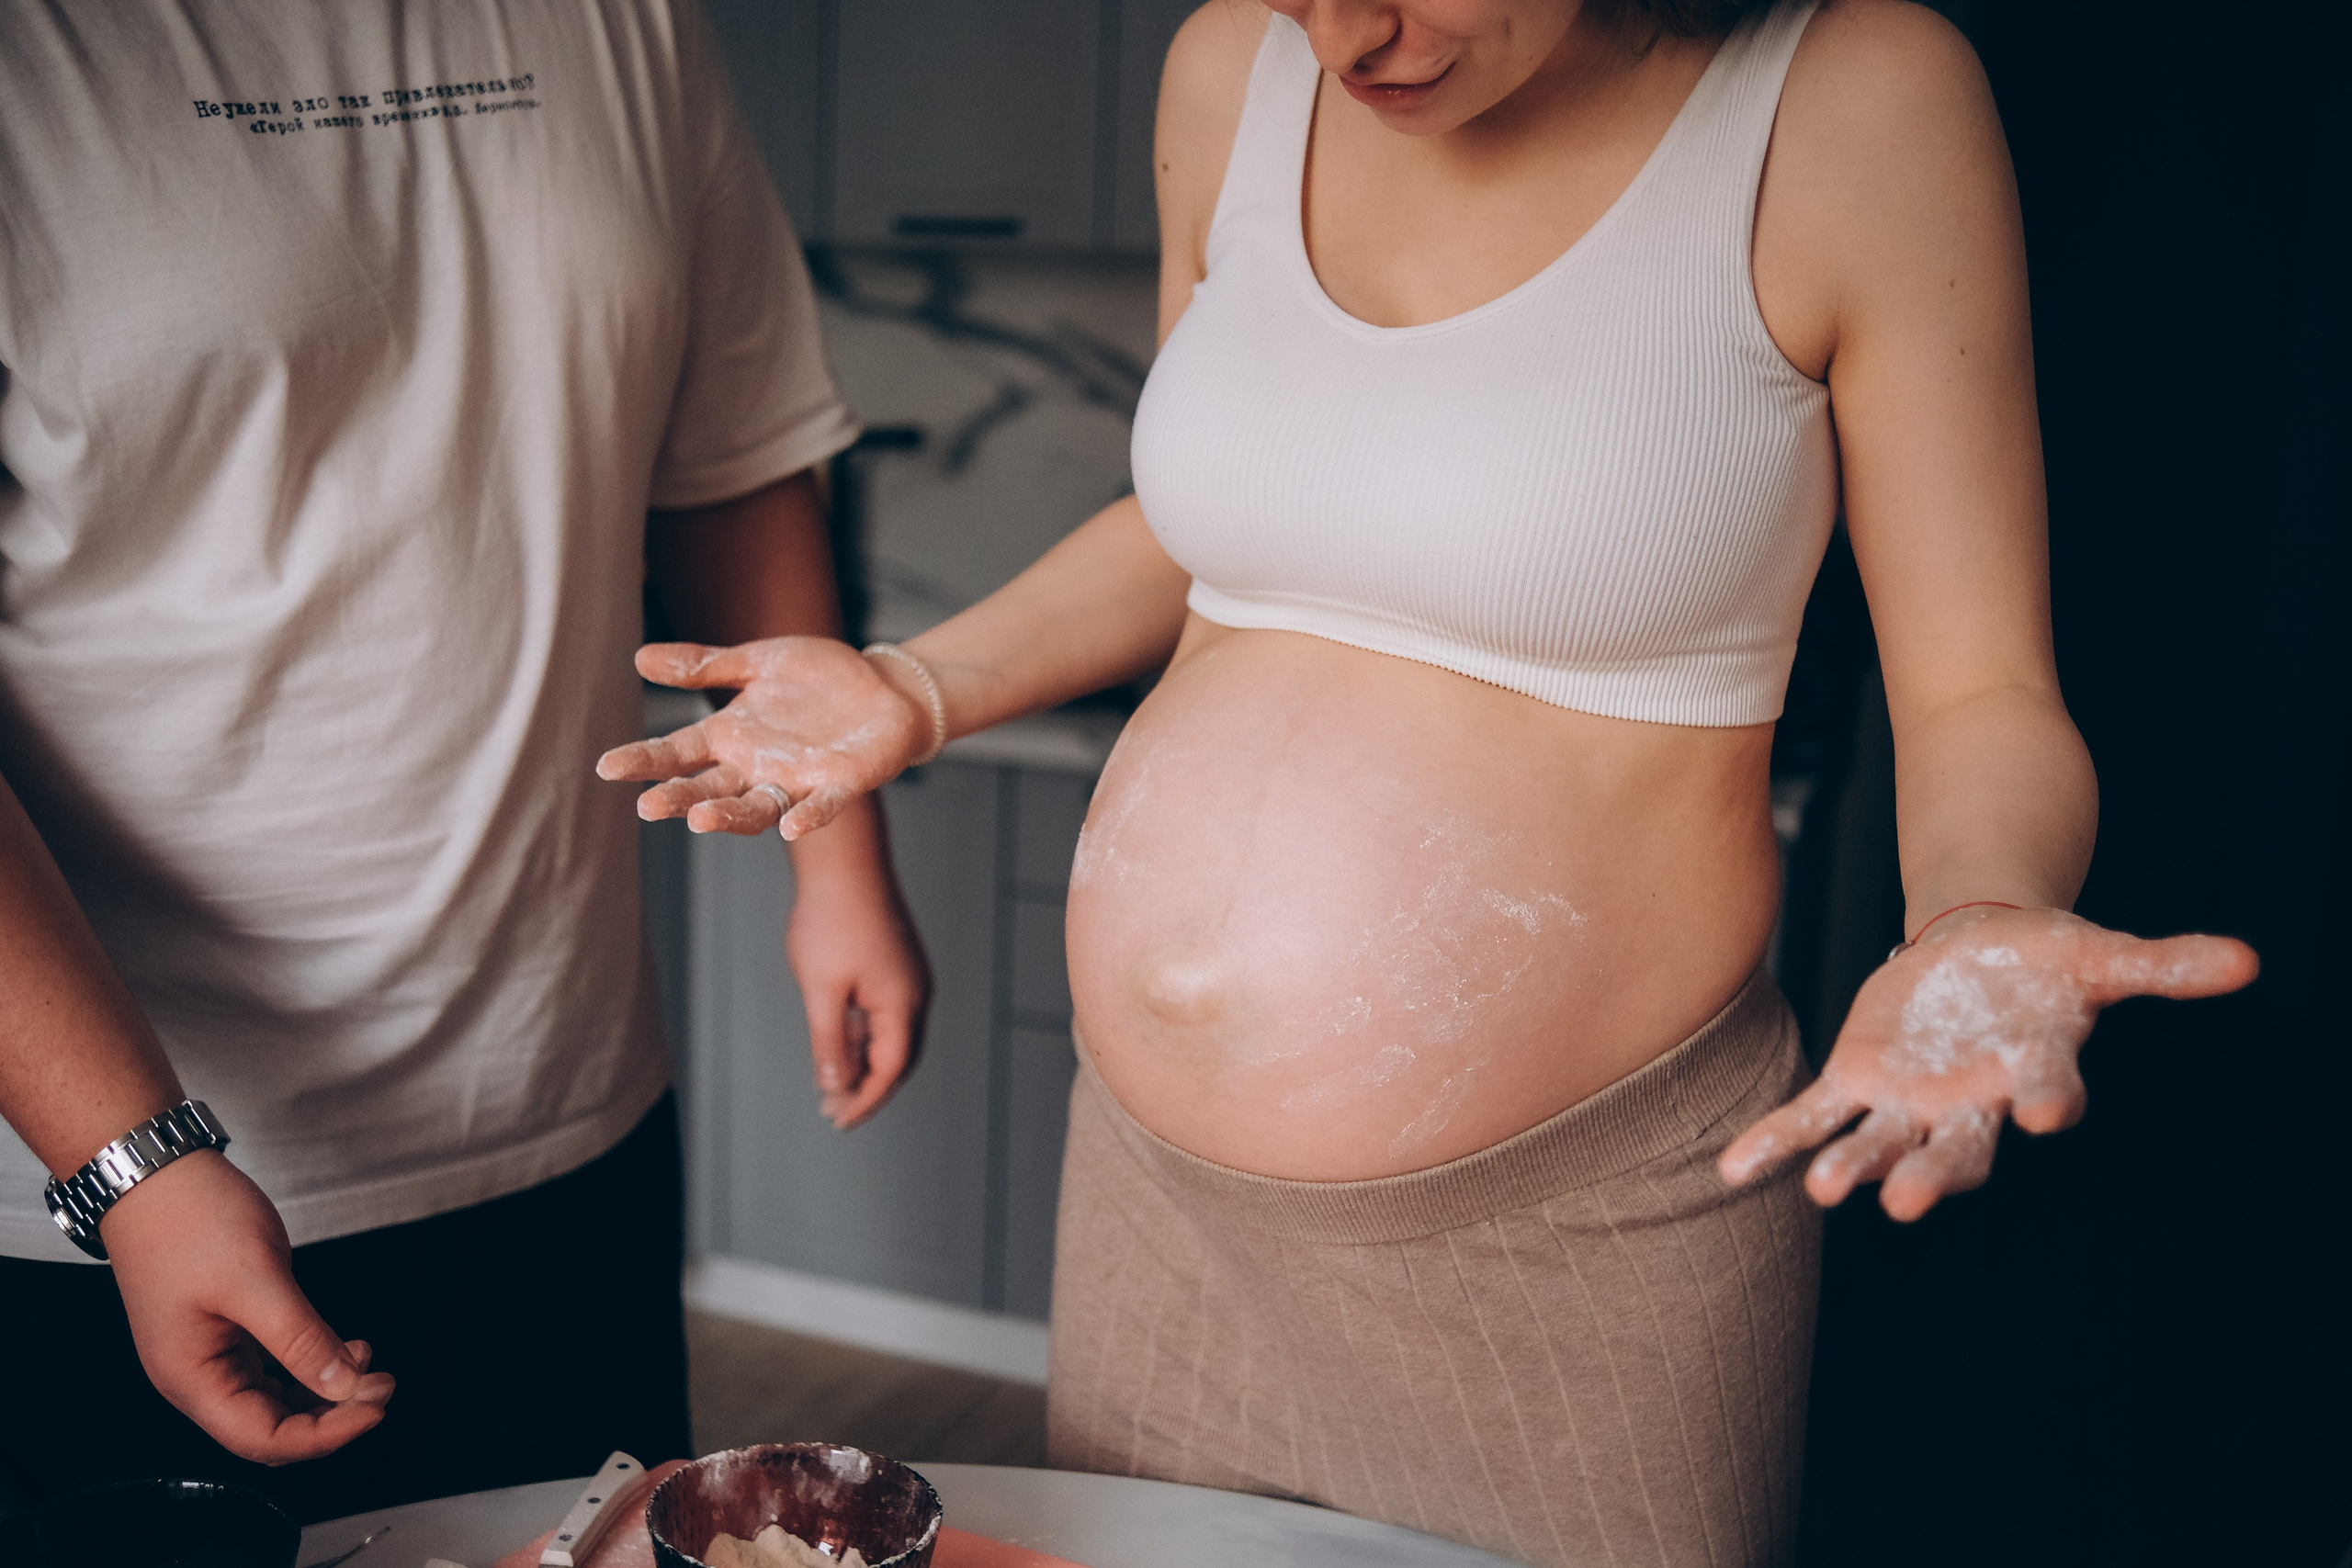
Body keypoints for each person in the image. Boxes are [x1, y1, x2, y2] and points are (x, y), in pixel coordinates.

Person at [600, 0, 2258, 1563]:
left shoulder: (1849, 103)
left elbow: (1977, 687)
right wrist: (918, 683)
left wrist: (1977, 913)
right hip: (1157, 1216)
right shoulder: (1231, 64)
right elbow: (1200, 523)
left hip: (1577, 1247)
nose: (1348, 39)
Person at [0, 0, 926, 1524]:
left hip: (577, 1112)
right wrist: (130, 1169)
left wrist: (838, 855)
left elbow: (735, 459)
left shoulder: (623, 20)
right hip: (137, 1189)